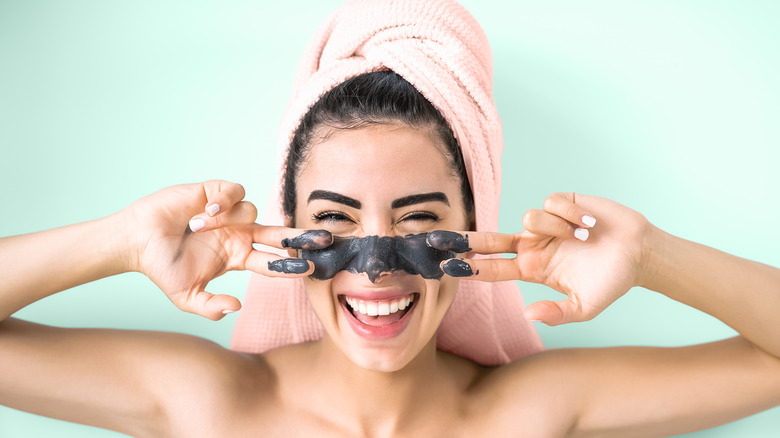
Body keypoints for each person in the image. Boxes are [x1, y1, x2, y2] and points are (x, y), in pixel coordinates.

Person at [3, 1, 780, 437]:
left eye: (419, 220)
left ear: (475, 230)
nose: (376, 268)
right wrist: (124, 241)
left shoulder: (533, 413)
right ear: (281, 233)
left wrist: (650, 256)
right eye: (334, 222)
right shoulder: (212, 406)